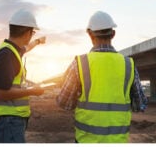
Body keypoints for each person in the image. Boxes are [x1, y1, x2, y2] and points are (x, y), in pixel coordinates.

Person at [56, 11, 148, 143]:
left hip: (86, 140)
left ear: (89, 34)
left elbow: (64, 103)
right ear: (113, 34)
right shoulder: (128, 64)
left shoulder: (80, 63)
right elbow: (140, 105)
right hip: (118, 141)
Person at [0, 9, 46, 143]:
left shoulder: (13, 50)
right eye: (32, 33)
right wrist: (33, 91)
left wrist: (38, 41)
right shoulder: (7, 54)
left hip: (9, 121)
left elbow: (26, 48)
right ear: (27, 33)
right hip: (7, 121)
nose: (32, 36)